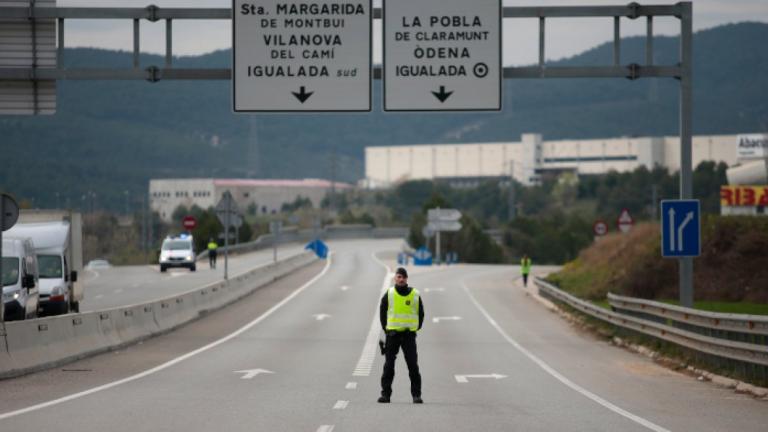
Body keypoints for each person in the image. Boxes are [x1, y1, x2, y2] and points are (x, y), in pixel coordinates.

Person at [378, 267, 425, 404]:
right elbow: (382, 311)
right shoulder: (389, 294)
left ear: (406, 279)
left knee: (413, 366)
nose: (401, 279)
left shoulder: (415, 294)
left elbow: (421, 313)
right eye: (399, 276)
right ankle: (385, 395)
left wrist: (416, 328)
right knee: (388, 366)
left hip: (409, 336)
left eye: (403, 277)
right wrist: (386, 329)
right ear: (395, 278)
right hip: (392, 335)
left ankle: (416, 395)